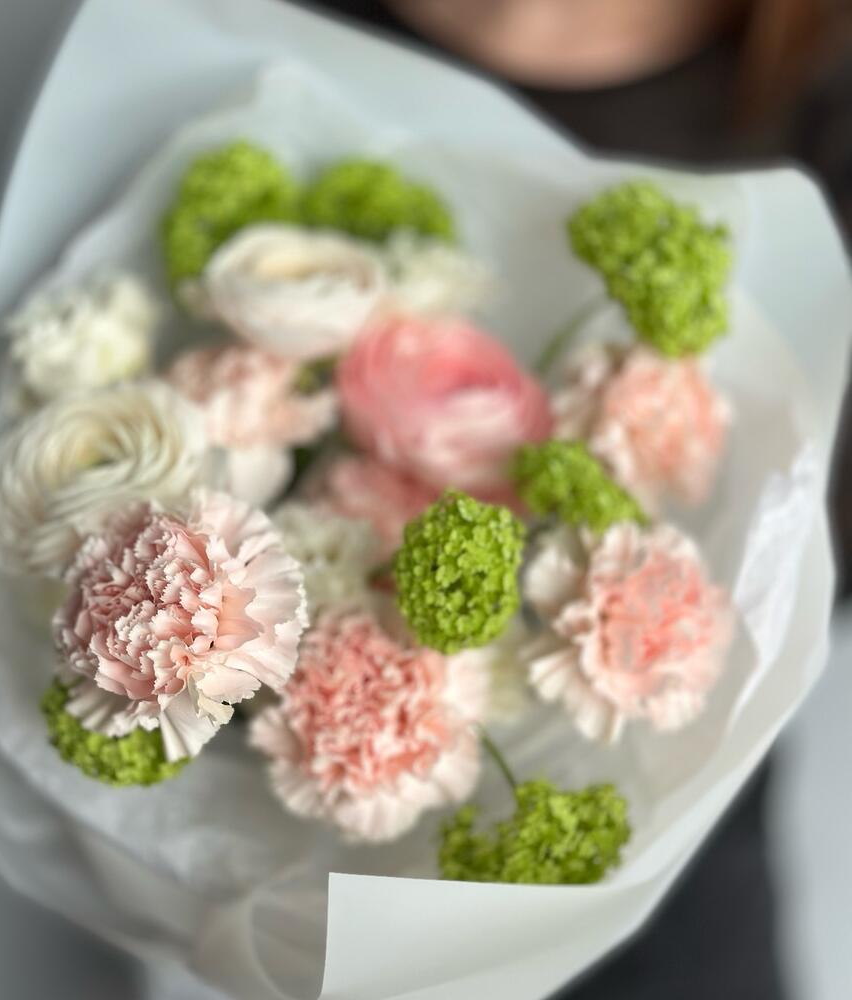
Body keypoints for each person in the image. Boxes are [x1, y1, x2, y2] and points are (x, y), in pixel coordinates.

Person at [300, 2, 852, 996]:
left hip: (669, 916)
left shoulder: (815, 76)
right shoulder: (281, 35)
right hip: (318, 866)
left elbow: (813, 567)